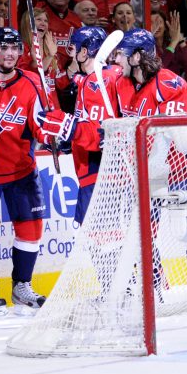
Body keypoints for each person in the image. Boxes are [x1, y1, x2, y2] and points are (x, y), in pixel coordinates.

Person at [0, 27, 71, 314]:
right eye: (4, 48)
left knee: (31, 230)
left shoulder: (33, 82)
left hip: (21, 170)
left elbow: (40, 123)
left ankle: (22, 287)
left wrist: (51, 135)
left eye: (14, 49)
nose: (9, 54)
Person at [114, 28, 187, 300]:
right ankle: (152, 287)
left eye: (123, 55)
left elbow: (172, 138)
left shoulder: (171, 85)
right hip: (146, 172)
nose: (118, 60)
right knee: (141, 233)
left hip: (181, 170)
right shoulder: (120, 84)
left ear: (137, 57)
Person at [67, 26, 121, 226]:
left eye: (74, 50)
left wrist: (69, 131)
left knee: (99, 240)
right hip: (104, 169)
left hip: (98, 170)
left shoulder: (96, 81)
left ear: (84, 52)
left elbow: (98, 133)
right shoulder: (102, 76)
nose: (72, 56)